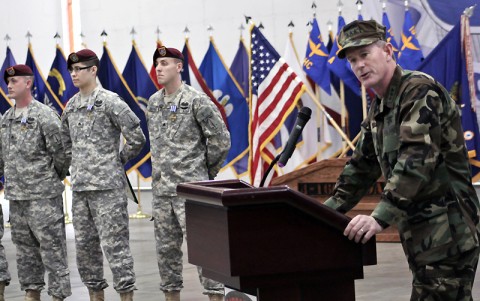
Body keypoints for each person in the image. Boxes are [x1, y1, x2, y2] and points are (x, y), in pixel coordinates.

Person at [323, 19, 480, 300]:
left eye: (365, 54)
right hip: (422, 233)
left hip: (449, 231)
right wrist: (325, 213)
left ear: (388, 51)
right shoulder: (381, 105)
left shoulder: (419, 91)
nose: (359, 65)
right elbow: (362, 165)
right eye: (352, 59)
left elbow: (415, 160)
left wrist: (378, 219)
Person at [147, 46, 231, 301]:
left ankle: (215, 296)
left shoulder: (196, 100)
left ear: (179, 67)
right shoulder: (153, 103)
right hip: (162, 193)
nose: (159, 68)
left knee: (203, 249)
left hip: (190, 192)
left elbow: (221, 140)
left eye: (165, 63)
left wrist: (204, 173)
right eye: (157, 64)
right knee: (166, 253)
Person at [61, 49, 146, 301]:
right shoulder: (72, 105)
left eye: (79, 69)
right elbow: (66, 143)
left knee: (116, 249)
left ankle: (125, 297)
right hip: (81, 191)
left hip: (108, 190)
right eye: (72, 70)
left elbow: (137, 137)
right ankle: (95, 296)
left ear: (93, 70)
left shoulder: (110, 101)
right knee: (86, 251)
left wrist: (116, 160)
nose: (74, 74)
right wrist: (76, 165)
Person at [0, 64, 71, 301]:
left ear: (28, 83)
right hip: (17, 198)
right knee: (25, 252)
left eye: (14, 81)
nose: (9, 85)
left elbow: (61, 155)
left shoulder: (44, 116)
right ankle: (32, 294)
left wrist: (50, 179)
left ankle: (58, 296)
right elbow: (3, 157)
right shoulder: (7, 119)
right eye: (7, 82)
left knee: (53, 251)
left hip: (43, 198)